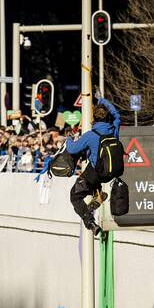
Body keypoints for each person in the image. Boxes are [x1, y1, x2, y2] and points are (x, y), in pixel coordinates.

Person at [64, 96, 122, 234]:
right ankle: (97, 192)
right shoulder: (114, 128)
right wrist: (102, 100)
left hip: (96, 173)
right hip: (112, 172)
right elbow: (117, 114)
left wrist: (69, 139)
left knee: (75, 195)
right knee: (93, 175)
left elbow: (72, 149)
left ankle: (89, 222)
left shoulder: (91, 135)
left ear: (93, 119)